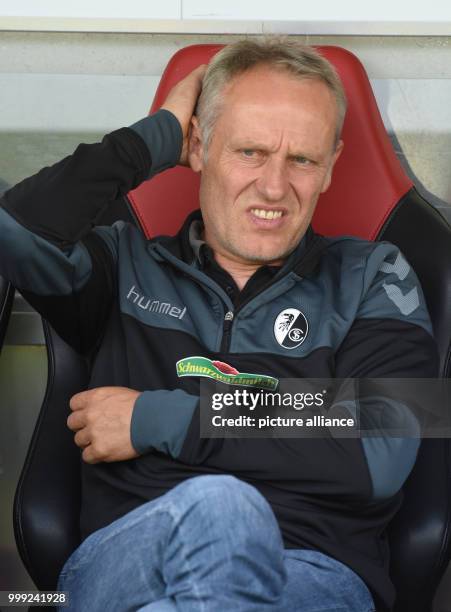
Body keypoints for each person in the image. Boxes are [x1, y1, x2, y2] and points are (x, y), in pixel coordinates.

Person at [0, 38, 438, 611]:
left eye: (302, 159)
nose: (276, 188)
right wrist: (149, 141)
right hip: (129, 560)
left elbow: (382, 443)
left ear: (331, 165)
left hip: (308, 574)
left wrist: (162, 418)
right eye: (251, 152)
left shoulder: (373, 277)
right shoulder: (124, 264)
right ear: (200, 147)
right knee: (220, 510)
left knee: (224, 512)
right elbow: (15, 232)